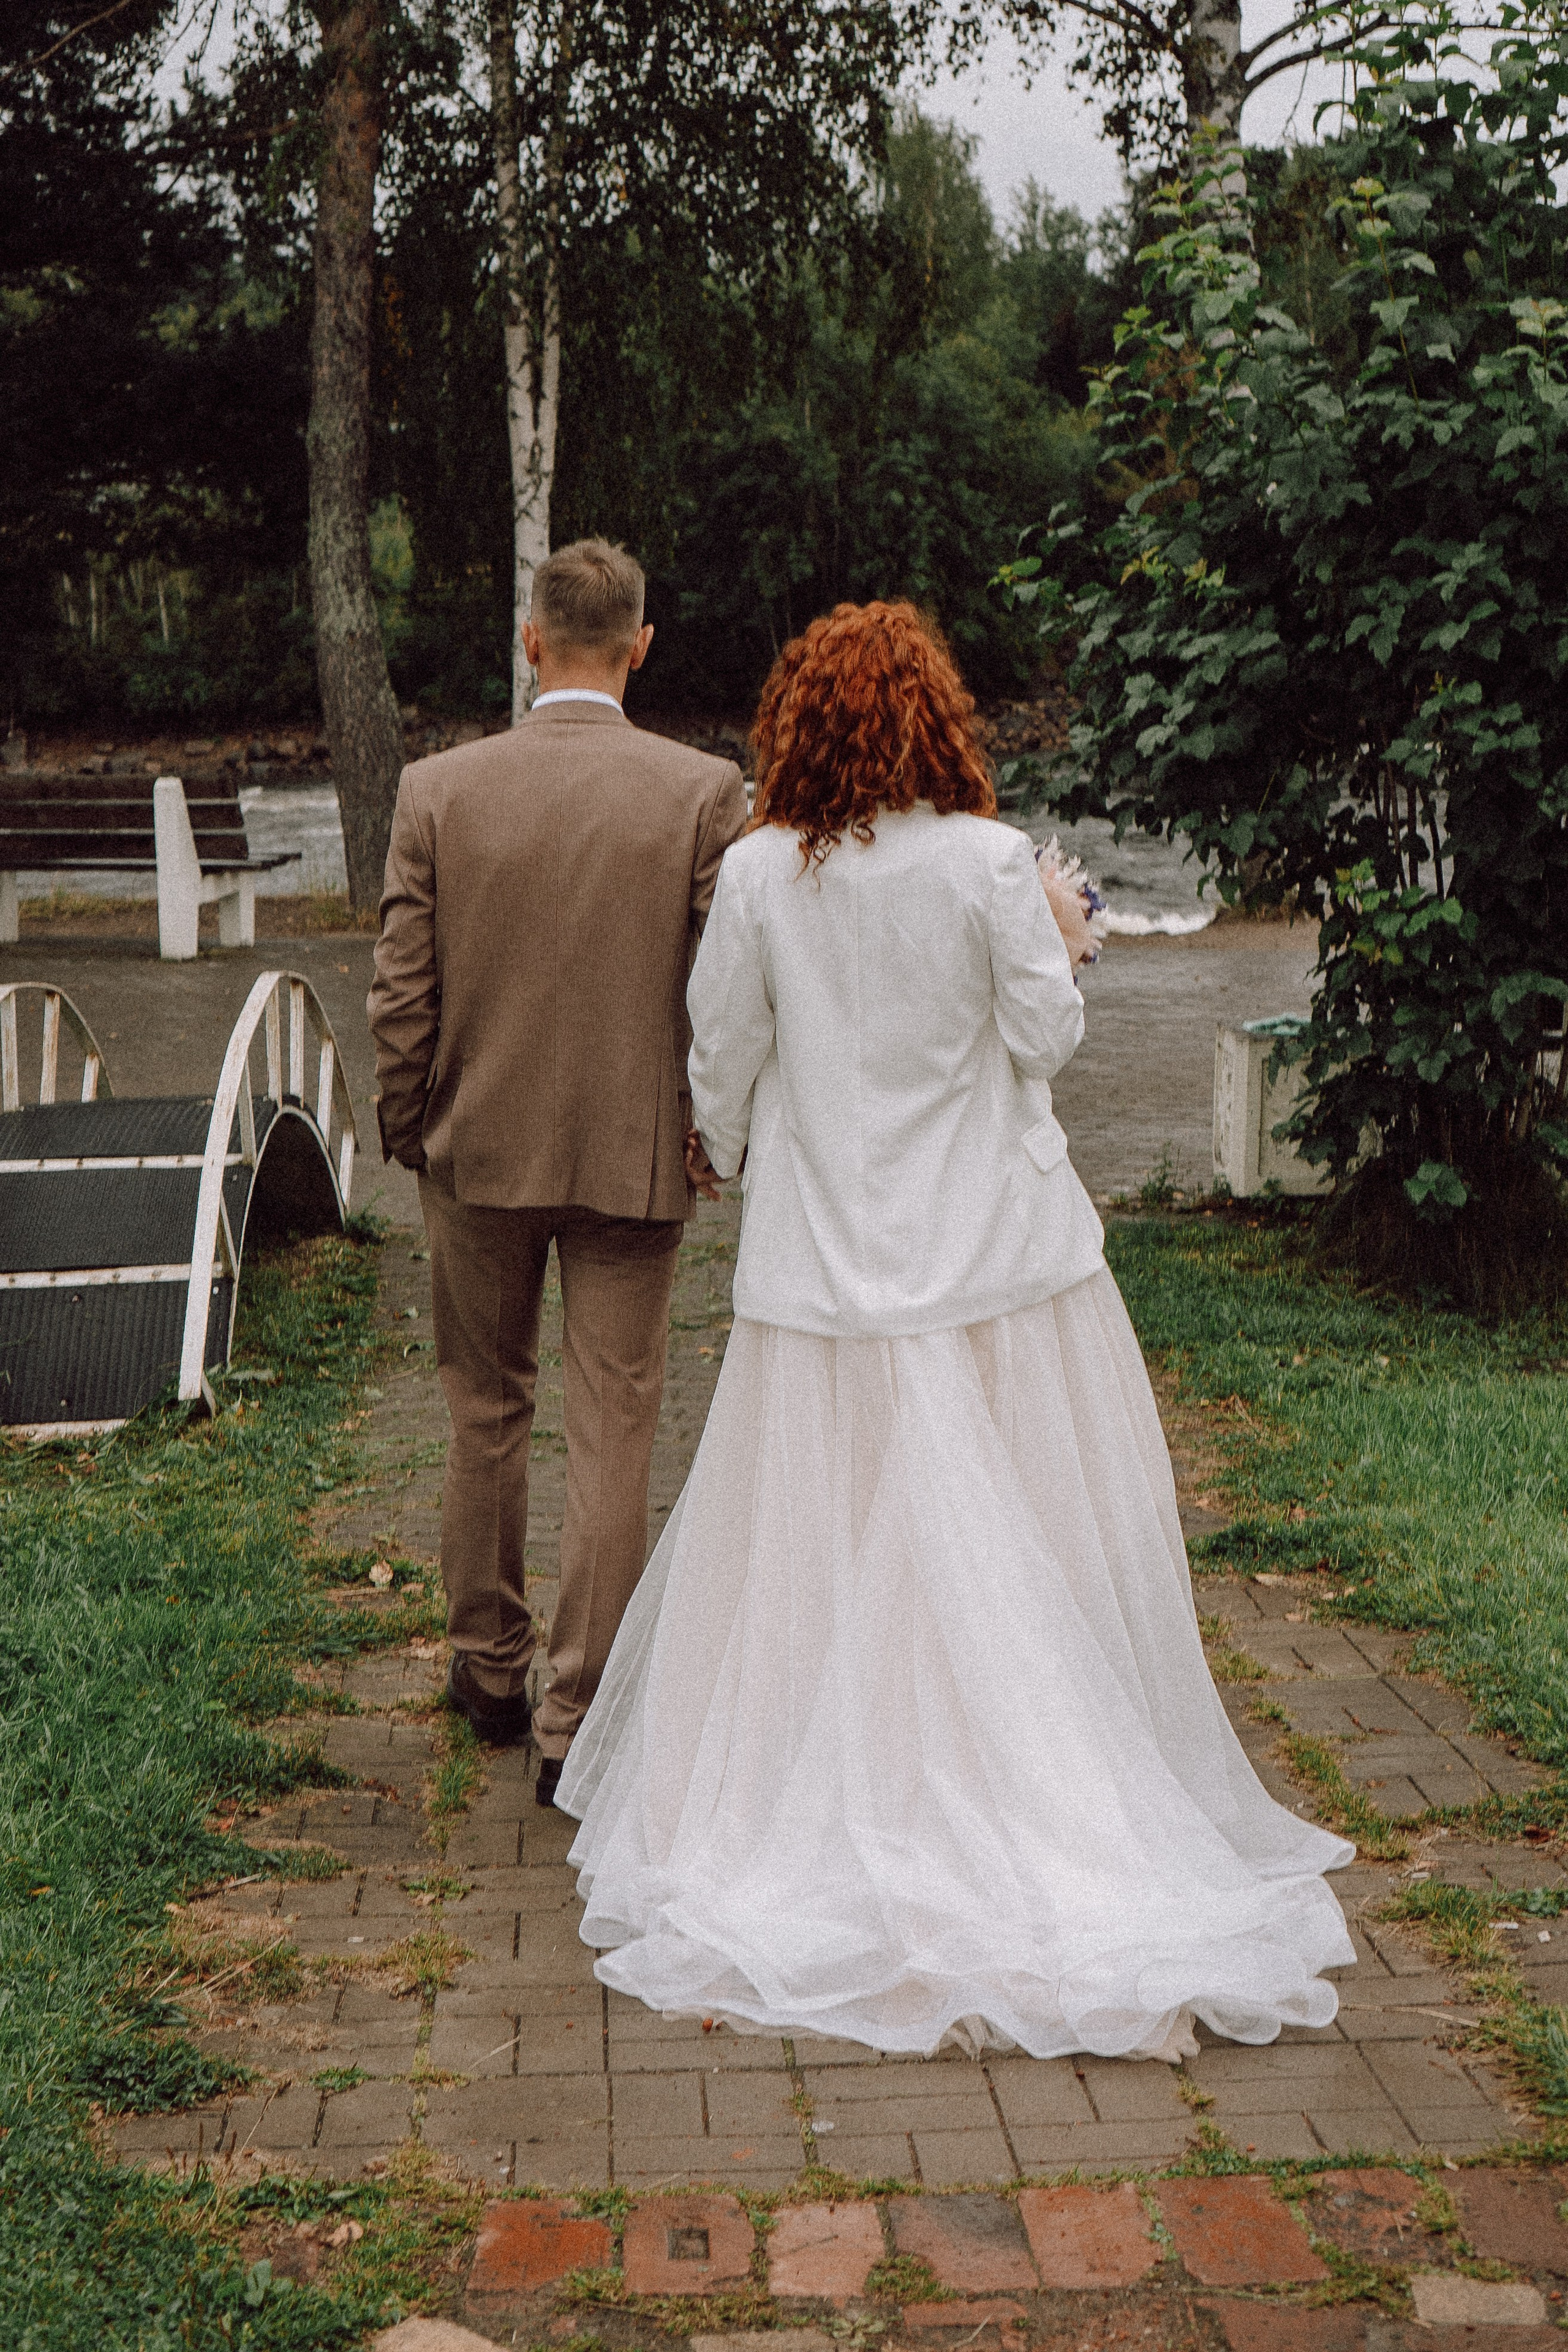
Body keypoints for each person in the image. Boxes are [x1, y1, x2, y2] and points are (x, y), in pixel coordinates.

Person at [556, 600, 1354, 2060]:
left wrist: (723, 1151)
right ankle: (1019, 1781)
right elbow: (1042, 1042)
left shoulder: (753, 874)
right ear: (939, 723)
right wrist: (1064, 937)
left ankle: (842, 1784)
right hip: (992, 1256)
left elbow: (720, 1053)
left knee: (832, 1532)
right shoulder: (992, 865)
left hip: (824, 1272)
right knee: (1010, 1526)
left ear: (796, 724)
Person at [368, 538, 747, 1807]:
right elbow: (723, 993)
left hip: (475, 1147)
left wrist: (407, 1122)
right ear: (640, 646)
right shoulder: (703, 793)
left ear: (530, 641)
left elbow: (401, 990)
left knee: (483, 1409)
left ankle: (487, 1667)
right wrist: (712, 1127)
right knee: (613, 1426)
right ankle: (577, 1718)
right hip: (636, 1153)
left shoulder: (437, 790)